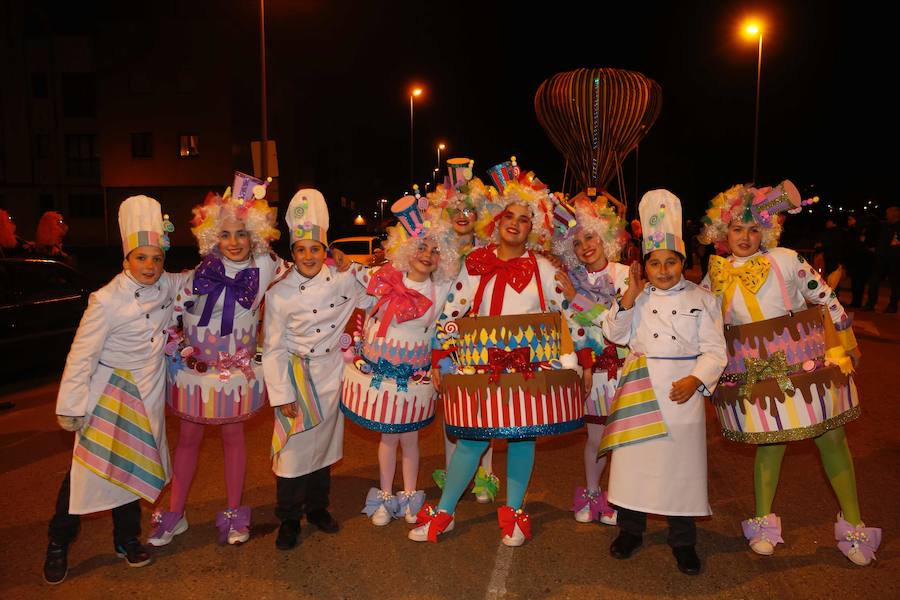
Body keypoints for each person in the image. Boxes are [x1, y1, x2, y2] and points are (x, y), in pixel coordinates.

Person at [699, 181, 881, 566]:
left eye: (753, 229)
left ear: (765, 231)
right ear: (722, 232)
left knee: (833, 441)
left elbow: (825, 297)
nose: (745, 237)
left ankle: (853, 525)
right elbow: (701, 322)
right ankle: (764, 523)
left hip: (807, 369)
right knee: (770, 445)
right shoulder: (714, 275)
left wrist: (845, 341)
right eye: (737, 229)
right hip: (758, 377)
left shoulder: (786, 259)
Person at [409, 159, 582, 546]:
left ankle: (516, 515)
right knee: (471, 441)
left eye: (524, 218)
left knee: (522, 439)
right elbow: (451, 313)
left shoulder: (543, 267)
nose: (515, 223)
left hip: (529, 369)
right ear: (497, 219)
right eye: (509, 214)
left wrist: (580, 357)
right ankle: (446, 512)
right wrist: (441, 358)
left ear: (532, 228)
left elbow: (569, 319)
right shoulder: (476, 263)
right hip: (482, 369)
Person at [43, 196, 183, 584]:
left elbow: (199, 278)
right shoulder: (105, 300)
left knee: (133, 468)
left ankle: (127, 540)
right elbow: (81, 355)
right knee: (85, 475)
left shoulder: (166, 286)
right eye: (142, 258)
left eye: (156, 259)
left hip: (148, 392)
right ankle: (58, 542)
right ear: (126, 260)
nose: (150, 266)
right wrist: (71, 404)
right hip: (109, 395)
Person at [149, 173, 286, 547]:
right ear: (212, 237)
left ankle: (233, 514)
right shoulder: (199, 272)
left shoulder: (267, 267)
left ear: (254, 235)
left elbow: (307, 271)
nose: (234, 241)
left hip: (234, 373)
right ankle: (175, 512)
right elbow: (167, 298)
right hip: (195, 373)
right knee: (188, 440)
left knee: (233, 438)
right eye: (224, 234)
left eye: (242, 233)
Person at [600, 189, 726, 576]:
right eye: (656, 263)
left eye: (672, 262)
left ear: (683, 263)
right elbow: (614, 334)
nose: (665, 270)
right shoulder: (634, 296)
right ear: (646, 266)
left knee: (680, 469)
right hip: (642, 387)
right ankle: (630, 531)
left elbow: (716, 351)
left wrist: (695, 380)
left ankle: (683, 540)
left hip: (682, 393)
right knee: (634, 464)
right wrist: (627, 300)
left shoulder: (703, 299)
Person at [341, 194, 459, 526]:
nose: (428, 255)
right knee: (387, 438)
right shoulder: (387, 279)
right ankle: (385, 495)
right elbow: (352, 284)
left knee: (410, 439)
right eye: (421, 247)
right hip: (381, 377)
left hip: (414, 379)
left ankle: (409, 494)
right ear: (406, 249)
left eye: (435, 251)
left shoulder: (441, 291)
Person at [263, 188, 368, 551]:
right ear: (292, 254)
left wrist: (351, 264)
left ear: (326, 250)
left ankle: (318, 508)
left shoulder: (343, 278)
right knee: (292, 453)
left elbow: (376, 290)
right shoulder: (278, 294)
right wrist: (282, 395)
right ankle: (289, 518)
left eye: (316, 248)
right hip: (297, 377)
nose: (309, 256)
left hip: (331, 375)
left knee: (323, 449)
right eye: (301, 250)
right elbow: (273, 349)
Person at [551, 196, 628, 525]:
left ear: (605, 237)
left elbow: (621, 323)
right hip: (593, 370)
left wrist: (578, 300)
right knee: (595, 437)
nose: (585, 246)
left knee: (623, 438)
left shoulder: (625, 275)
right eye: (578, 242)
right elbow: (573, 327)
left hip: (627, 368)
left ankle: (620, 498)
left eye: (591, 237)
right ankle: (593, 494)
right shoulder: (571, 281)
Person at [427, 158, 498, 502]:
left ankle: (485, 477)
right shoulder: (436, 252)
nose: (462, 215)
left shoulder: (490, 251)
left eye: (469, 209)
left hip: (482, 343)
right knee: (451, 412)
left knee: (486, 408)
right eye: (455, 208)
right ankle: (455, 473)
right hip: (445, 341)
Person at [863, 206, 900, 313]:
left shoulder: (898, 228)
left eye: (888, 213)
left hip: (894, 261)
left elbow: (895, 245)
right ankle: (870, 304)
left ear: (894, 215)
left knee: (894, 284)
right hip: (881, 260)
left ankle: (892, 306)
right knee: (873, 281)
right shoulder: (885, 226)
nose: (886, 215)